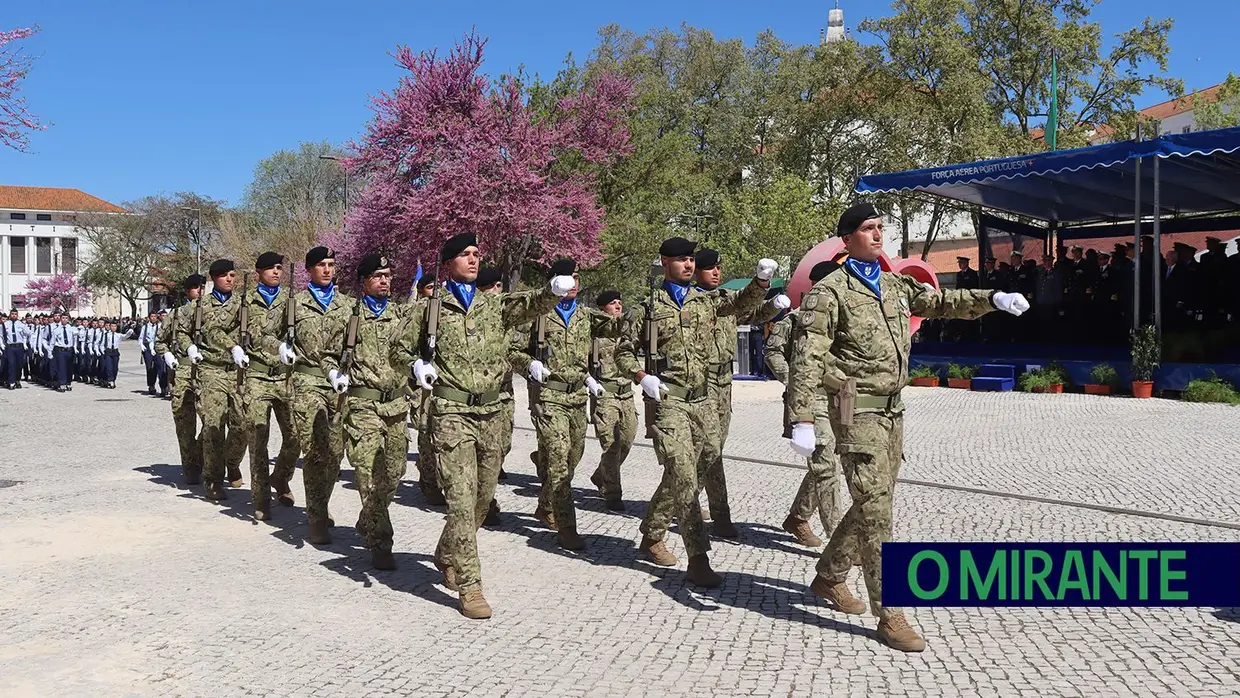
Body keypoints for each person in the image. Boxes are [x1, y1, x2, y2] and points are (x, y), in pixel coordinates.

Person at [787, 202, 1029, 652]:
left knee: (869, 503)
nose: (878, 235)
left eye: (881, 227)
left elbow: (940, 302)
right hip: (855, 412)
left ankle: (827, 576)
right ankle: (890, 612)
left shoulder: (895, 285)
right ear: (847, 238)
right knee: (877, 512)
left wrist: (991, 299)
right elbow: (807, 357)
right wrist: (801, 417)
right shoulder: (829, 292)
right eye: (867, 228)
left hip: (893, 412)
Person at [408, 231, 572, 619]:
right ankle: (470, 585)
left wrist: (551, 290)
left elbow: (530, 304)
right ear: (448, 262)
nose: (473, 259)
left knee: (482, 499)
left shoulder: (494, 305)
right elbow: (400, 349)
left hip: (491, 414)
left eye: (477, 254)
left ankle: (446, 552)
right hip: (451, 414)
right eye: (465, 254)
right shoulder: (428, 310)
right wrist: (417, 365)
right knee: (462, 500)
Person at [616, 237, 774, 587]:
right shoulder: (646, 310)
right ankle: (698, 558)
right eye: (682, 260)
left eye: (691, 260)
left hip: (704, 401)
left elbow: (741, 302)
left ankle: (652, 531)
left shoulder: (707, 303)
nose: (689, 265)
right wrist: (642, 377)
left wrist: (761, 283)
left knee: (705, 462)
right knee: (683, 475)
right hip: (669, 401)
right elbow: (623, 352)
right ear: (664, 263)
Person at [521, 257, 620, 550]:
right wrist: (529, 364)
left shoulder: (586, 316)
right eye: (566, 277)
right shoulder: (538, 315)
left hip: (577, 397)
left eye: (576, 276)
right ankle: (567, 527)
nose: (573, 282)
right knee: (560, 460)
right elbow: (513, 350)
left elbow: (619, 328)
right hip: (549, 397)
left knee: (572, 457)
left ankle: (545, 505)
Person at [687, 247, 788, 537]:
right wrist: (760, 283)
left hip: (723, 384)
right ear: (697, 272)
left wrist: (773, 306)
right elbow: (743, 302)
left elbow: (750, 314)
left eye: (719, 267)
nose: (716, 272)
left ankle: (689, 501)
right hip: (700, 383)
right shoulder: (696, 302)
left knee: (713, 450)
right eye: (710, 268)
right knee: (707, 450)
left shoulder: (723, 300)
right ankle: (716, 514)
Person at [335, 252, 413, 569]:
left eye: (388, 275)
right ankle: (381, 541)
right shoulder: (348, 318)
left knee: (394, 473)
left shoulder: (401, 317)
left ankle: (368, 516)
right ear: (364, 282)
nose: (385, 280)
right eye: (378, 276)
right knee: (367, 474)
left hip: (396, 405)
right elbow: (328, 353)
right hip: (363, 404)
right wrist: (333, 372)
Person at [275, 246, 356, 544]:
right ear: (309, 269)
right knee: (313, 451)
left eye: (331, 264)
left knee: (335, 452)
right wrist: (281, 348)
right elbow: (268, 333)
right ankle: (316, 516)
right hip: (307, 382)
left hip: (339, 386)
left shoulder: (348, 306)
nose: (327, 269)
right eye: (321, 264)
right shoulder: (295, 304)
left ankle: (321, 501)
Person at [766, 260, 842, 548]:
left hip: (839, 399)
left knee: (829, 463)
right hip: (810, 401)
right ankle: (840, 541)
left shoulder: (840, 319)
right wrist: (793, 380)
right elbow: (772, 353)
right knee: (825, 467)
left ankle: (798, 517)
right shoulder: (794, 320)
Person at [189, 259, 251, 501]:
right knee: (214, 426)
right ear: (213, 278)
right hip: (212, 369)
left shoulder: (244, 304)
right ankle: (213, 479)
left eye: (233, 275)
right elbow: (192, 331)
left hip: (238, 372)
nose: (229, 279)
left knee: (243, 425)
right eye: (224, 275)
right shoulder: (201, 305)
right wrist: (190, 349)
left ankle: (232, 461)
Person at [246, 252, 301, 521]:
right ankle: (260, 496)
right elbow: (233, 332)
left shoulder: (291, 301)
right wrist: (234, 347)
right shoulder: (245, 302)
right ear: (259, 272)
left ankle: (280, 476)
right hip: (256, 377)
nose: (277, 272)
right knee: (258, 440)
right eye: (271, 268)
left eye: (280, 268)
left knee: (295, 436)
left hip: (285, 377)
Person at [588, 290, 637, 512]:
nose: (618, 306)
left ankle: (601, 475)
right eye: (612, 303)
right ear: (601, 309)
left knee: (626, 441)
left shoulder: (627, 333)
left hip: (626, 394)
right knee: (611, 445)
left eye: (619, 302)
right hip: (605, 394)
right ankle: (613, 493)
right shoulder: (594, 335)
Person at [158, 274, 207, 485]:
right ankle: (190, 468)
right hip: (182, 373)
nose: (200, 291)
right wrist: (167, 355)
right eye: (195, 288)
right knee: (185, 424)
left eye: (202, 287)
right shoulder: (176, 315)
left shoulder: (212, 313)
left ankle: (203, 457)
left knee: (213, 420)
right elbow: (160, 341)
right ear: (187, 291)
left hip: (206, 373)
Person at [408, 273, 445, 505]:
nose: (434, 291)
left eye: (437, 287)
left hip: (445, 382)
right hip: (421, 385)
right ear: (421, 291)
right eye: (430, 287)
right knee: (425, 431)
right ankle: (429, 480)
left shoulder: (446, 310)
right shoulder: (415, 313)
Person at [45, 311, 77, 392]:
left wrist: (75, 348)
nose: (64, 320)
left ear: (68, 319)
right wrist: (49, 352)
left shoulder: (72, 329)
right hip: (60, 350)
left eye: (66, 318)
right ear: (60, 319)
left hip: (69, 350)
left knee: (69, 368)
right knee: (61, 368)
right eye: (63, 318)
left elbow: (75, 340)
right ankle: (62, 384)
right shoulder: (56, 330)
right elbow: (52, 342)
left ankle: (68, 383)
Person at [138, 311, 168, 397]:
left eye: (155, 316)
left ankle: (163, 387)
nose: (153, 318)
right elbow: (140, 338)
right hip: (147, 348)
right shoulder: (145, 327)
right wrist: (142, 345)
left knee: (161, 367)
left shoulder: (160, 326)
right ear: (149, 318)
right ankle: (151, 386)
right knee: (150, 368)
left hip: (157, 346)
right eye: (152, 316)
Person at [2, 309, 30, 389]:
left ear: (17, 315)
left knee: (19, 364)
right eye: (12, 314)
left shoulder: (21, 324)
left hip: (19, 346)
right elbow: (2, 335)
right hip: (10, 347)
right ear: (10, 315)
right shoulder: (5, 324)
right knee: (11, 364)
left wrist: (25, 339)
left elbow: (29, 333)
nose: (14, 315)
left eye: (15, 314)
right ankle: (11, 382)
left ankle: (17, 380)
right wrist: (3, 345)